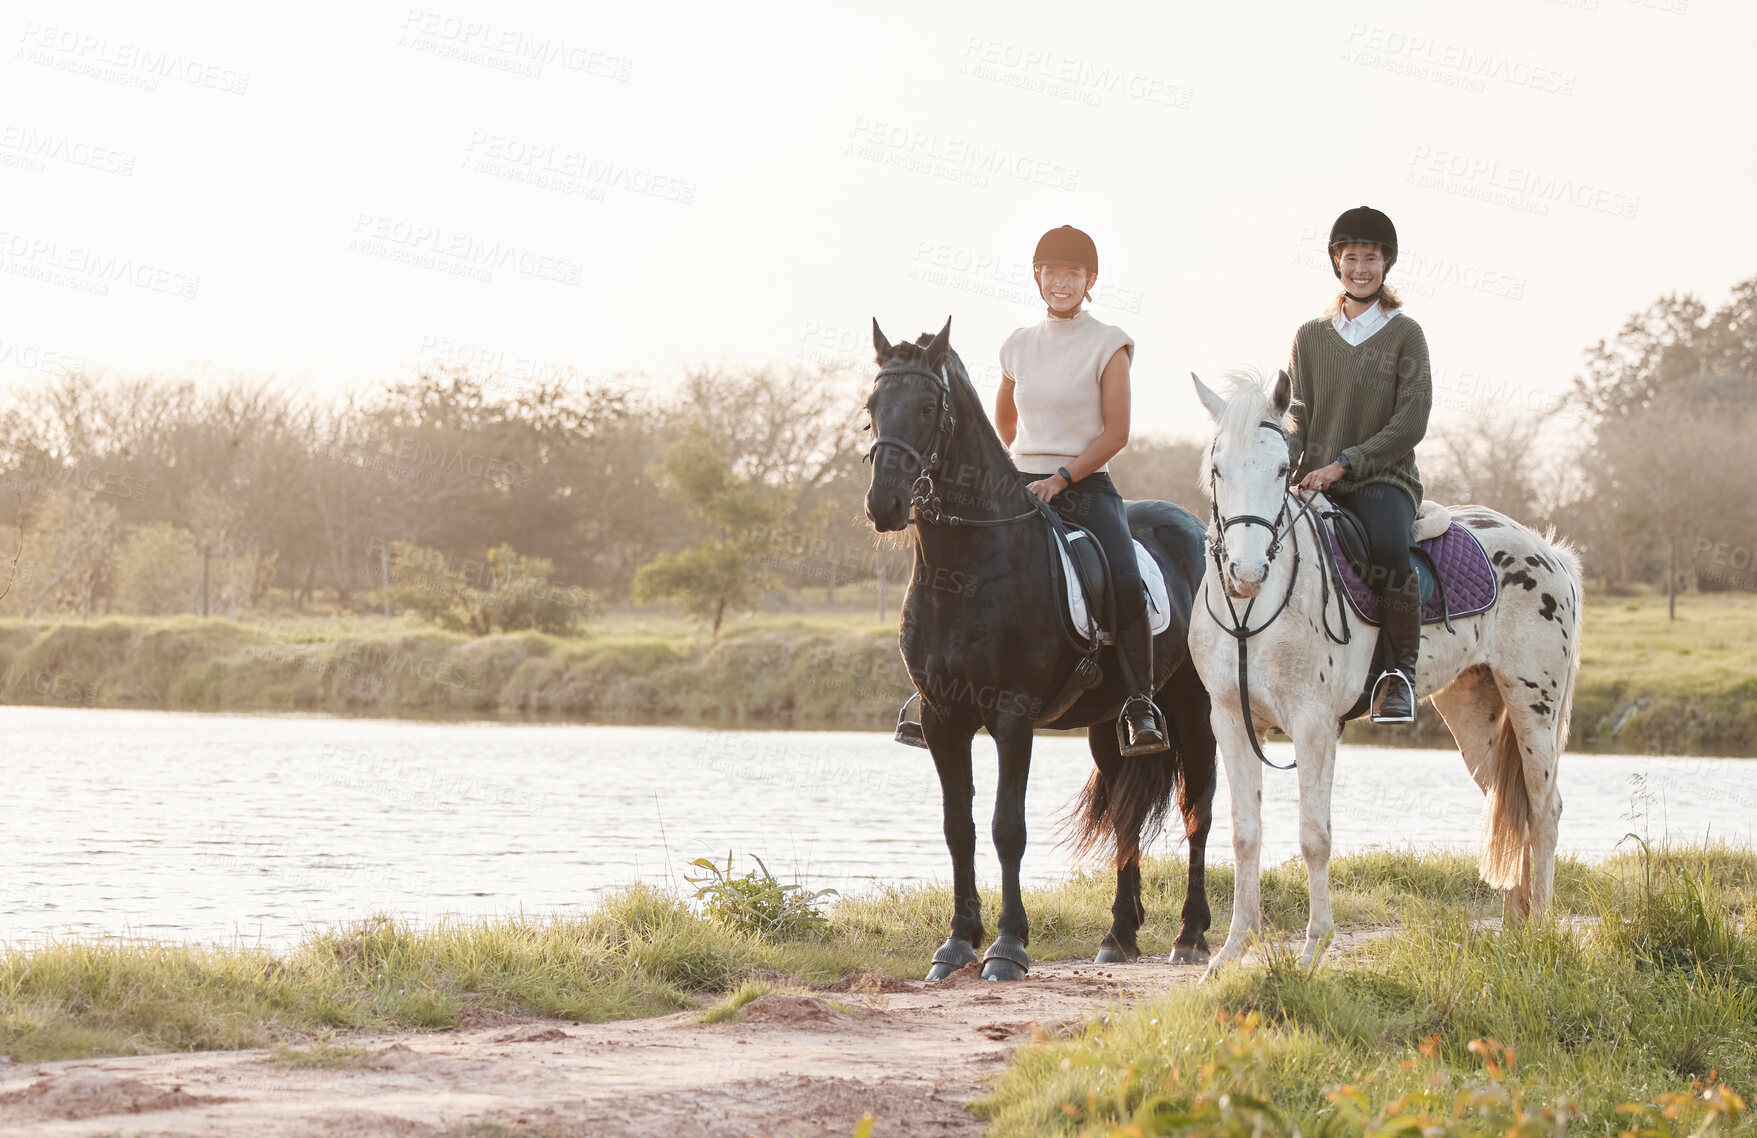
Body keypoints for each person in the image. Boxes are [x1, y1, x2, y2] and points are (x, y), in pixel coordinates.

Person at [1000, 224, 1166, 754]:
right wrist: (1028, 473)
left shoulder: (1109, 344)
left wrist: (1061, 477)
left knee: (1122, 577)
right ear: (1037, 276)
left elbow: (1115, 433)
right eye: (1051, 272)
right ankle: (933, 690)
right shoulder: (1016, 346)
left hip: (1086, 487)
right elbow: (1005, 427)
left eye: (1072, 274)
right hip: (1023, 488)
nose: (1061, 282)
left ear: (1090, 279)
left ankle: (1140, 703)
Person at [1285, 206, 1433, 723]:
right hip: (1315, 479)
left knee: (1389, 549)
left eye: (1371, 258)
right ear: (1336, 263)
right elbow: (1297, 417)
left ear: (1386, 264)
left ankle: (1398, 676)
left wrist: (1345, 464)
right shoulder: (1309, 336)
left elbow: (1411, 420)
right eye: (1351, 258)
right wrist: (1276, 466)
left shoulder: (1405, 333)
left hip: (1382, 480)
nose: (1360, 268)